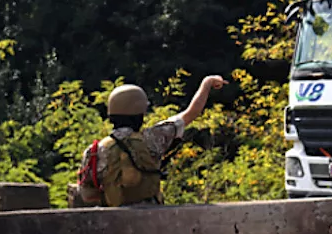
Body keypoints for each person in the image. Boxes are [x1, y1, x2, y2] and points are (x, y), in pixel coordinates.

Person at [70, 75, 228, 207]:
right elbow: (191, 113)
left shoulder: (94, 151)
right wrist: (207, 83)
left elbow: (87, 195)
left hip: (113, 224)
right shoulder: (154, 138)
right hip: (153, 220)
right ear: (140, 115)